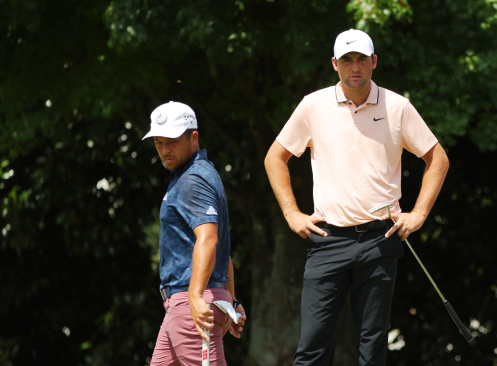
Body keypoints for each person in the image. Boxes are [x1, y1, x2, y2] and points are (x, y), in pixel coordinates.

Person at [264, 29, 449, 365]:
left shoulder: (398, 106)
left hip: (381, 238)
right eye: (347, 60)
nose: (355, 67)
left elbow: (437, 159)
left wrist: (419, 214)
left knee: (372, 347)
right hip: (328, 239)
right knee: (312, 347)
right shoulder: (313, 105)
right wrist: (292, 214)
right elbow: (275, 157)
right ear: (334, 64)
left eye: (362, 59)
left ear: (374, 62)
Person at [143, 101, 246, 365]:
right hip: (190, 303)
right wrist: (231, 300)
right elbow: (222, 250)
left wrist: (195, 296)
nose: (164, 150)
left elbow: (209, 241)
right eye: (158, 143)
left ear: (193, 137)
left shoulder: (192, 179)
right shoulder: (198, 173)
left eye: (172, 142)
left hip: (192, 305)